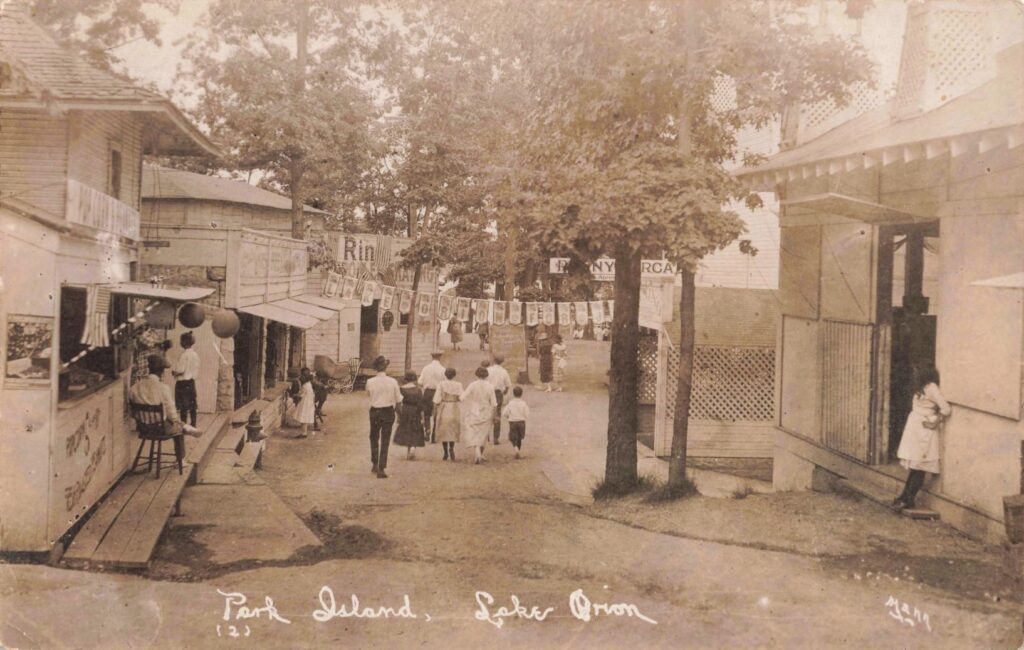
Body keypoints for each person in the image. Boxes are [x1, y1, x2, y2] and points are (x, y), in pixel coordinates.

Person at [893, 365, 951, 510]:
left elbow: (945, 409)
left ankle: (910, 499)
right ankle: (905, 496)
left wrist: (934, 424)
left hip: (924, 432)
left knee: (920, 466)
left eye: (917, 372)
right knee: (915, 466)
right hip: (915, 429)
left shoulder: (931, 387)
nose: (914, 374)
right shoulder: (922, 387)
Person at [130, 355, 201, 464]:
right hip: (161, 428)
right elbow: (172, 414)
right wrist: (176, 421)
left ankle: (186, 427)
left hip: (143, 427)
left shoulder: (135, 387)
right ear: (161, 372)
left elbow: (132, 408)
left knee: (169, 421)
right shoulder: (163, 388)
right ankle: (180, 460)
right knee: (176, 427)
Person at [366, 355, 402, 478]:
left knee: (374, 437)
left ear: (375, 368)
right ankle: (382, 468)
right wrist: (400, 415)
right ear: (386, 367)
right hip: (388, 412)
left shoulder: (370, 381)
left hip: (375, 411)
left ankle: (375, 463)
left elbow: (369, 395)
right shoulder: (393, 381)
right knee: (385, 439)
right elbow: (398, 401)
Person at [461, 366, 498, 464]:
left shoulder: (473, 385)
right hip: (486, 410)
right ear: (486, 375)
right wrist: (495, 415)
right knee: (484, 433)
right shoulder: (490, 386)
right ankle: (480, 452)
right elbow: (494, 403)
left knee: (474, 431)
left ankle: (477, 451)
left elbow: (463, 397)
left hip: (475, 410)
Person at [394, 371, 426, 459]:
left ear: (406, 378)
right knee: (415, 429)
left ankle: (409, 451)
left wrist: (399, 415)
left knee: (407, 429)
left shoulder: (401, 389)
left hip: (405, 410)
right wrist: (421, 416)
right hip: (415, 411)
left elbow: (399, 402)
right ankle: (412, 448)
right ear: (415, 378)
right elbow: (421, 404)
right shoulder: (418, 390)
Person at [433, 367, 462, 461]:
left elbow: (437, 399)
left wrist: (435, 409)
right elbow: (462, 397)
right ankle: (451, 448)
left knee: (444, 429)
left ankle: (445, 451)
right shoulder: (458, 384)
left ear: (445, 375)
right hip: (454, 407)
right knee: (452, 428)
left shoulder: (441, 384)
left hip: (444, 406)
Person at [172, 331, 200, 427]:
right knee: (192, 404)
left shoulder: (184, 355)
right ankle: (193, 423)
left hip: (183, 383)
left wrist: (174, 372)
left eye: (181, 341)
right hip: (191, 382)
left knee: (183, 405)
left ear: (184, 342)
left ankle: (183, 424)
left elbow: (180, 370)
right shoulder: (195, 354)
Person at [418, 350, 446, 443]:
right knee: (436, 414)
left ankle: (427, 430)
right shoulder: (443, 369)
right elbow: (445, 383)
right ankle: (434, 434)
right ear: (440, 357)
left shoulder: (426, 368)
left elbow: (420, 382)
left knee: (426, 413)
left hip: (427, 392)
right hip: (438, 393)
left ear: (432, 357)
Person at [487, 353, 512, 444]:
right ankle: (496, 437)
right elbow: (508, 385)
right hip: (498, 394)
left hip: (488, 393)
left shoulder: (488, 370)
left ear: (494, 361)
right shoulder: (504, 371)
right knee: (497, 414)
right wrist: (504, 391)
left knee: (487, 413)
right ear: (502, 362)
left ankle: (486, 435)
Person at [502, 386, 530, 458]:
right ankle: (518, 450)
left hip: (513, 422)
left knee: (513, 437)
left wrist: (508, 416)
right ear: (521, 394)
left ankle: (516, 449)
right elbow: (527, 413)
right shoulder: (523, 403)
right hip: (521, 422)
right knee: (519, 437)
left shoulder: (511, 403)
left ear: (513, 394)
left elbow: (504, 413)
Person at [294, 367, 317, 439]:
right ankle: (304, 432)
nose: (300, 378)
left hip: (305, 403)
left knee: (303, 417)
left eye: (301, 376)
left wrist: (294, 394)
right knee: (304, 418)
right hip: (308, 403)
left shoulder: (305, 386)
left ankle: (304, 433)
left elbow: (300, 395)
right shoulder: (309, 384)